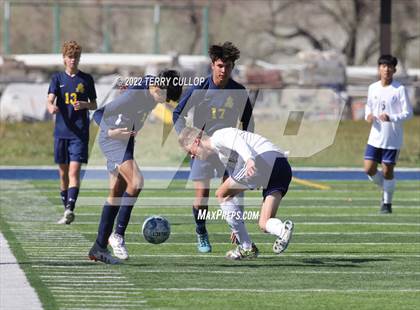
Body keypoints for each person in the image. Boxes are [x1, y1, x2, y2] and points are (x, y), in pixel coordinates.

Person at [88, 70, 182, 264]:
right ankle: (118, 235)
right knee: (137, 181)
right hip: (113, 139)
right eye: (163, 97)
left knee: (115, 195)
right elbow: (98, 114)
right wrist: (111, 131)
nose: (163, 102)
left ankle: (98, 248)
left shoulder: (153, 87)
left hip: (126, 141)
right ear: (157, 88)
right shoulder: (135, 95)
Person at [173, 42, 254, 253]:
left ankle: (237, 230)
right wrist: (187, 140)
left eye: (227, 66)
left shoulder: (239, 91)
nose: (223, 70)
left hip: (230, 150)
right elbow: (177, 114)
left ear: (232, 66)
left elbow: (248, 123)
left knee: (233, 192)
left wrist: (247, 149)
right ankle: (201, 231)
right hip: (203, 150)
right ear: (212, 65)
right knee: (202, 195)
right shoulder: (200, 88)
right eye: (220, 65)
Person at [178, 127, 294, 260]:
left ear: (196, 141)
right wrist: (235, 224)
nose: (192, 156)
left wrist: (250, 159)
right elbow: (234, 190)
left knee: (221, 194)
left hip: (264, 159)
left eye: (189, 152)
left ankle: (246, 247)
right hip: (282, 166)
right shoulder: (223, 155)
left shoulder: (218, 137)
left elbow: (238, 141)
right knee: (264, 223)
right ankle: (282, 230)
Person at [47, 40, 97, 224]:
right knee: (63, 174)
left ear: (79, 58)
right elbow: (50, 99)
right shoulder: (57, 79)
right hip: (61, 133)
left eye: (75, 57)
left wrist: (84, 104)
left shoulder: (86, 79)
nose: (72, 60)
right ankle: (66, 209)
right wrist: (51, 107)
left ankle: (70, 209)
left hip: (79, 133)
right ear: (64, 59)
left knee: (74, 172)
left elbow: (94, 104)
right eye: (70, 57)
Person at [364, 54, 413, 214]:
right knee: (369, 169)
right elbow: (368, 106)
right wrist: (368, 115)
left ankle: (387, 203)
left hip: (392, 138)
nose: (387, 69)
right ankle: (387, 187)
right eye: (384, 66)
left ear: (394, 70)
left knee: (387, 171)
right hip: (375, 137)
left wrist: (391, 117)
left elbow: (409, 113)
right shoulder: (373, 88)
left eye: (390, 67)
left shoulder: (399, 89)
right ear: (379, 69)